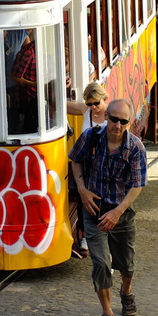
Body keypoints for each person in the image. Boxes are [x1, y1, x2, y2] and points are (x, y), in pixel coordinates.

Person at [69, 99, 147, 316]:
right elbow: (76, 161)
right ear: (106, 117)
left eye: (124, 121)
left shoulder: (135, 147)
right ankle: (107, 313)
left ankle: (126, 292)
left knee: (127, 265)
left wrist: (118, 211)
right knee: (101, 263)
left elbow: (137, 185)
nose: (118, 125)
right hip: (94, 212)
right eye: (114, 119)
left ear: (128, 122)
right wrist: (82, 190)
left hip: (121, 213)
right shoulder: (91, 137)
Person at [67, 82, 110, 258]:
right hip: (85, 165)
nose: (93, 107)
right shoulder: (86, 112)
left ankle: (106, 236)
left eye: (96, 103)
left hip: (104, 167)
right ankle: (84, 235)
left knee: (103, 201)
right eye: (89, 104)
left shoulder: (112, 114)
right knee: (83, 199)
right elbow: (58, 103)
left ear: (104, 99)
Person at [10, 30, 37, 132]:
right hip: (29, 100)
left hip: (42, 97)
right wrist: (34, 84)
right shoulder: (29, 52)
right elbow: (14, 77)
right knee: (30, 129)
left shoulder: (49, 47)